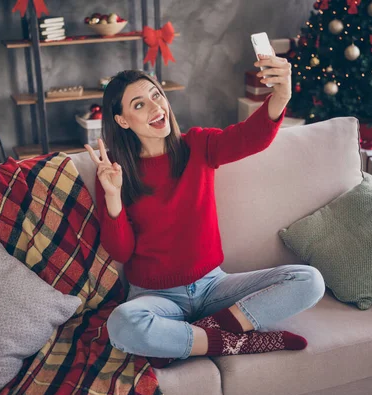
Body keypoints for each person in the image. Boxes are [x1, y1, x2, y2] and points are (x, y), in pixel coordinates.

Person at [84, 53, 325, 368]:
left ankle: (196, 339)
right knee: (122, 324)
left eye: (156, 96)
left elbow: (251, 138)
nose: (155, 107)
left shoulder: (198, 145)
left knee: (310, 281)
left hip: (213, 287)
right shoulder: (115, 171)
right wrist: (112, 194)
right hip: (155, 298)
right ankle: (236, 339)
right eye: (139, 104)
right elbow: (121, 251)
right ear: (122, 120)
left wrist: (280, 95)